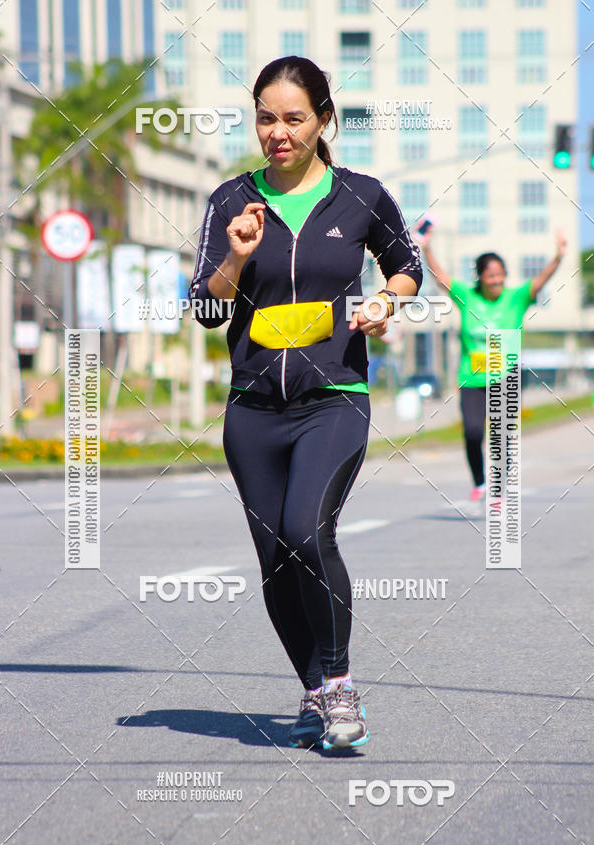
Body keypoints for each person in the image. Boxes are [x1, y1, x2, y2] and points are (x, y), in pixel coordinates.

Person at [189, 56, 423, 751]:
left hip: (334, 397)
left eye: (294, 118)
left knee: (303, 531)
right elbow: (205, 308)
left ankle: (341, 681)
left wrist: (387, 300)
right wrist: (234, 258)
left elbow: (406, 263)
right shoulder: (232, 201)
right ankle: (316, 694)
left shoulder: (362, 195)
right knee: (274, 559)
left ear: (324, 121)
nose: (278, 132)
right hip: (253, 409)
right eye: (266, 117)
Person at [421, 226, 567, 500]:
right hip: (473, 377)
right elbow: (440, 277)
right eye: (491, 275)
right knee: (474, 431)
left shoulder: (517, 297)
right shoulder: (467, 296)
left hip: (506, 377)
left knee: (501, 435)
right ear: (481, 277)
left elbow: (541, 279)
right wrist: (427, 248)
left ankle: (498, 490)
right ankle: (479, 482)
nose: (497, 279)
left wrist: (558, 256)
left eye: (500, 274)